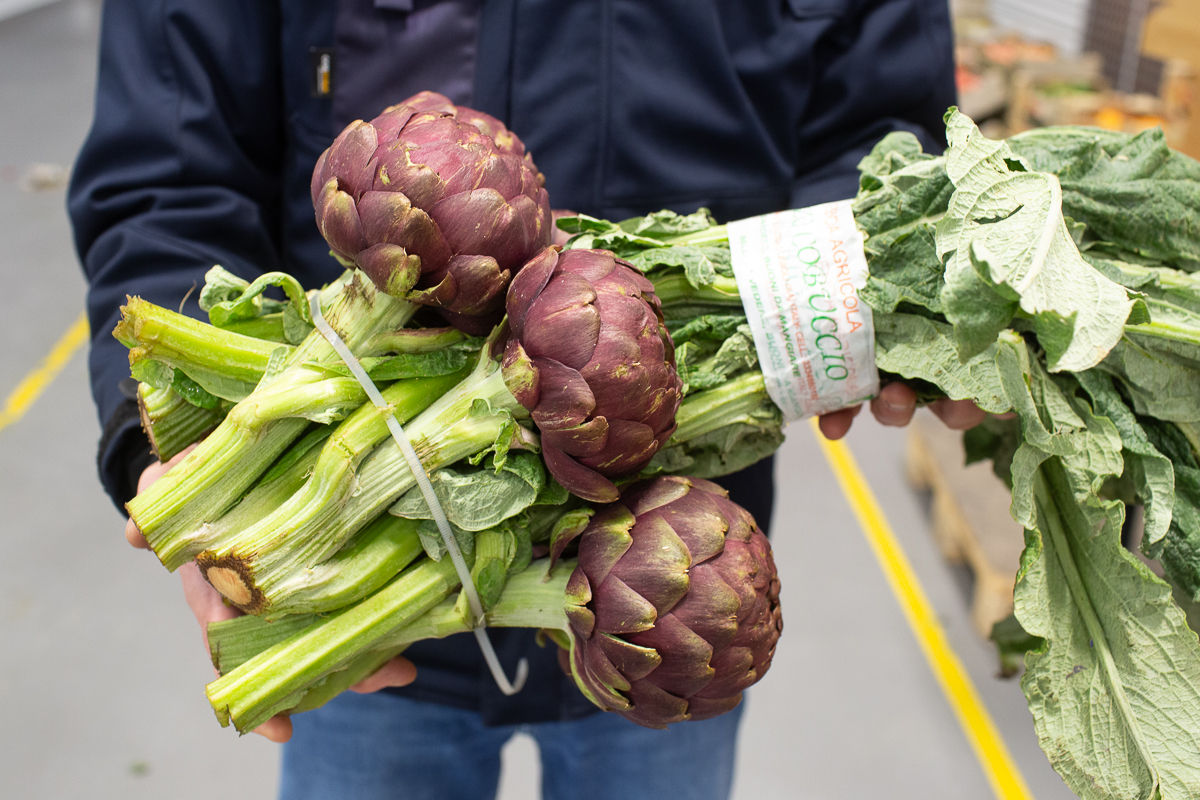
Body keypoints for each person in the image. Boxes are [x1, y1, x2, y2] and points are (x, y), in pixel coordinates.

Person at [69, 1, 983, 797]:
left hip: (669, 574)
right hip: (350, 621)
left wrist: (872, 306)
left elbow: (885, 138)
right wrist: (163, 435)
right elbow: (168, 164)